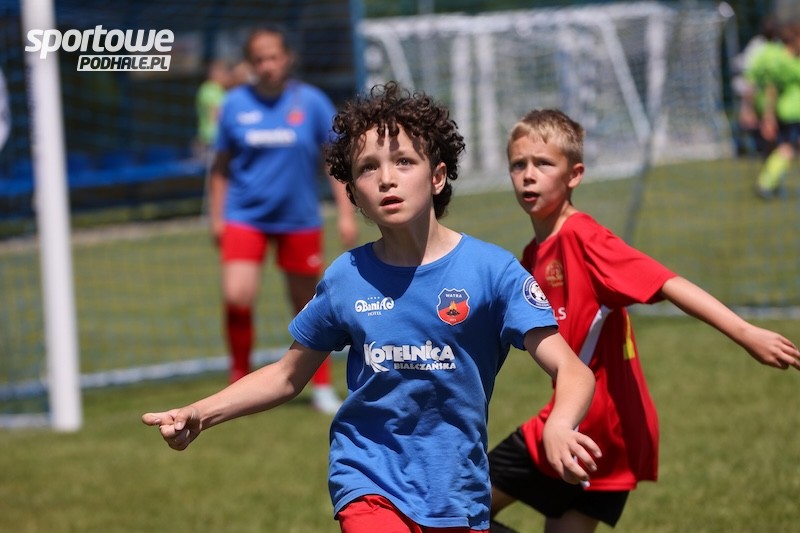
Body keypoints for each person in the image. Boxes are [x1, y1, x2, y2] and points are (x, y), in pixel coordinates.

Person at [142, 82, 600, 532]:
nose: (386, 179)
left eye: (404, 161)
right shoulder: (347, 277)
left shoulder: (491, 272)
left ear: (437, 176)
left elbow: (572, 369)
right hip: (368, 480)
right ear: (354, 193)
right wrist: (201, 413)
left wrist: (560, 424)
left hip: (457, 493)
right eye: (367, 168)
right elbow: (286, 376)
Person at [487, 108, 800, 533]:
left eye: (543, 163)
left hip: (602, 427)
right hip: (575, 420)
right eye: (518, 164)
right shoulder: (532, 254)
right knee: (460, 511)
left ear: (574, 175)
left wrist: (746, 333)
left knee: (457, 509)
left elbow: (666, 282)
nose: (528, 175)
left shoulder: (584, 238)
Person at [207, 25, 359, 414]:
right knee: (236, 296)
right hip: (245, 216)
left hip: (299, 218)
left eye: (273, 57)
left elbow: (333, 163)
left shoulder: (312, 102)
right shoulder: (234, 105)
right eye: (259, 59)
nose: (267, 65)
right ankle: (238, 378)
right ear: (250, 63)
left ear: (287, 58)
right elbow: (220, 167)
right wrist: (216, 216)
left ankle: (320, 387)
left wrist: (345, 212)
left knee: (308, 306)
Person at [753, 19, 800, 199]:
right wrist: (768, 116)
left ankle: (771, 181)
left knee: (784, 148)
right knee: (786, 149)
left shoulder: (793, 59)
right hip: (790, 112)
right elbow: (770, 89)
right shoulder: (780, 60)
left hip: (793, 111)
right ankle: (766, 182)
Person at [195, 59, 234, 162]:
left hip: (210, 138)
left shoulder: (209, 89)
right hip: (213, 139)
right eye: (226, 73)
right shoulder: (212, 90)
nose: (228, 77)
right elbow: (217, 115)